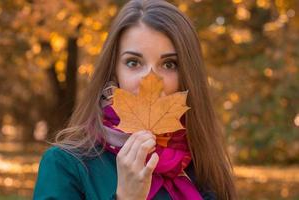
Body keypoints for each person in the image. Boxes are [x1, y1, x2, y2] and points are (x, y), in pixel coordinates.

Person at [33, 0, 237, 199]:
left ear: (188, 76)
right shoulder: (66, 165)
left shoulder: (203, 165)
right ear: (114, 72)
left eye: (169, 64)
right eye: (133, 62)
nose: (150, 79)